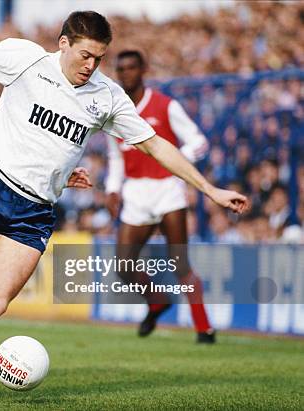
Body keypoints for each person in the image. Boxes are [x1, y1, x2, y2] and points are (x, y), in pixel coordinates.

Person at [0, 0, 248, 403]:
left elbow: (154, 144)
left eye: (99, 58)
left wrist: (209, 189)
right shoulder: (25, 59)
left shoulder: (108, 97)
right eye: (85, 55)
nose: (91, 65)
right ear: (63, 43)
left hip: (35, 211)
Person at [105, 50, 214, 342]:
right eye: (121, 69)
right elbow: (116, 156)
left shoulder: (166, 106)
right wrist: (112, 188)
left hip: (168, 190)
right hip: (136, 193)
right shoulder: (113, 112)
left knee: (180, 264)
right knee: (123, 266)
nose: (126, 73)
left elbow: (199, 142)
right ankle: (157, 301)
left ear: (144, 70)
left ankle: (204, 328)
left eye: (131, 68)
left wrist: (174, 159)